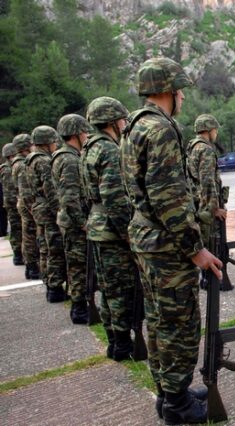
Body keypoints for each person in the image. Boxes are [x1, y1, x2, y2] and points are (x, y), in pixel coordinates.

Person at [121, 58, 221, 424]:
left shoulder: (133, 126)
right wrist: (195, 248)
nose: (181, 96)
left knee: (159, 318)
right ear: (167, 91)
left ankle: (168, 391)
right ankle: (177, 404)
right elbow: (169, 196)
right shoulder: (161, 129)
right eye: (179, 90)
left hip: (146, 237)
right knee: (179, 320)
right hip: (166, 242)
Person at [82, 97, 138, 358]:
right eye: (123, 120)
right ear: (114, 122)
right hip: (112, 231)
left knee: (108, 288)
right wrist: (128, 233)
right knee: (122, 289)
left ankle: (115, 341)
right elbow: (115, 198)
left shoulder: (89, 148)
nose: (126, 124)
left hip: (97, 226)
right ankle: (123, 342)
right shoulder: (110, 150)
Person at [53, 114, 92, 323]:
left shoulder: (68, 156)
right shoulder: (68, 159)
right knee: (78, 266)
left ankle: (80, 305)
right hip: (74, 224)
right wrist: (82, 223)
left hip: (71, 221)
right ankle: (79, 309)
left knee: (78, 265)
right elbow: (69, 197)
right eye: (85, 132)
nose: (87, 136)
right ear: (76, 134)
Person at [25, 126, 67, 302]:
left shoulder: (30, 159)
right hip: (48, 210)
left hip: (38, 208)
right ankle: (54, 287)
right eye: (53, 141)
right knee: (55, 248)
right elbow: (50, 190)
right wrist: (59, 210)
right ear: (48, 142)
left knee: (45, 247)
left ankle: (50, 283)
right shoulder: (43, 161)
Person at [187, 114, 227, 273]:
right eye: (215, 130)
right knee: (211, 243)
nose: (216, 133)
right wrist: (214, 208)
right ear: (208, 130)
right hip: (205, 207)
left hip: (196, 202)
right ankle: (208, 280)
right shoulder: (205, 149)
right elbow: (207, 181)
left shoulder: (192, 146)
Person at [11, 134, 39, 279]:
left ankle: (31, 266)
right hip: (27, 203)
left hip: (24, 202)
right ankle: (32, 266)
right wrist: (33, 210)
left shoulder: (18, 163)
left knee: (28, 235)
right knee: (30, 236)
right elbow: (25, 190)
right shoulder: (22, 165)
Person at [1, 143, 23, 265]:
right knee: (17, 229)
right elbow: (10, 191)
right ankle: (18, 254)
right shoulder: (8, 169)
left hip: (12, 204)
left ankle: (19, 254)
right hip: (13, 205)